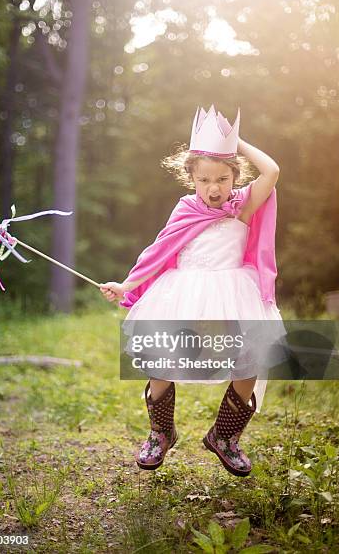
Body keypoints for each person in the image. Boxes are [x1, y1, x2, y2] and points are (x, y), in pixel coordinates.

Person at [100, 105, 282, 477]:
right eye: (203, 180)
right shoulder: (185, 208)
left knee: (247, 363)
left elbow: (273, 171)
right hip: (183, 291)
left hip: (233, 292)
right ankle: (160, 431)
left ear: (234, 176)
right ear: (191, 180)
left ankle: (225, 437)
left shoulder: (243, 207)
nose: (213, 188)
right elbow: (159, 250)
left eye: (222, 178)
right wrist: (126, 285)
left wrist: (235, 144)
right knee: (161, 361)